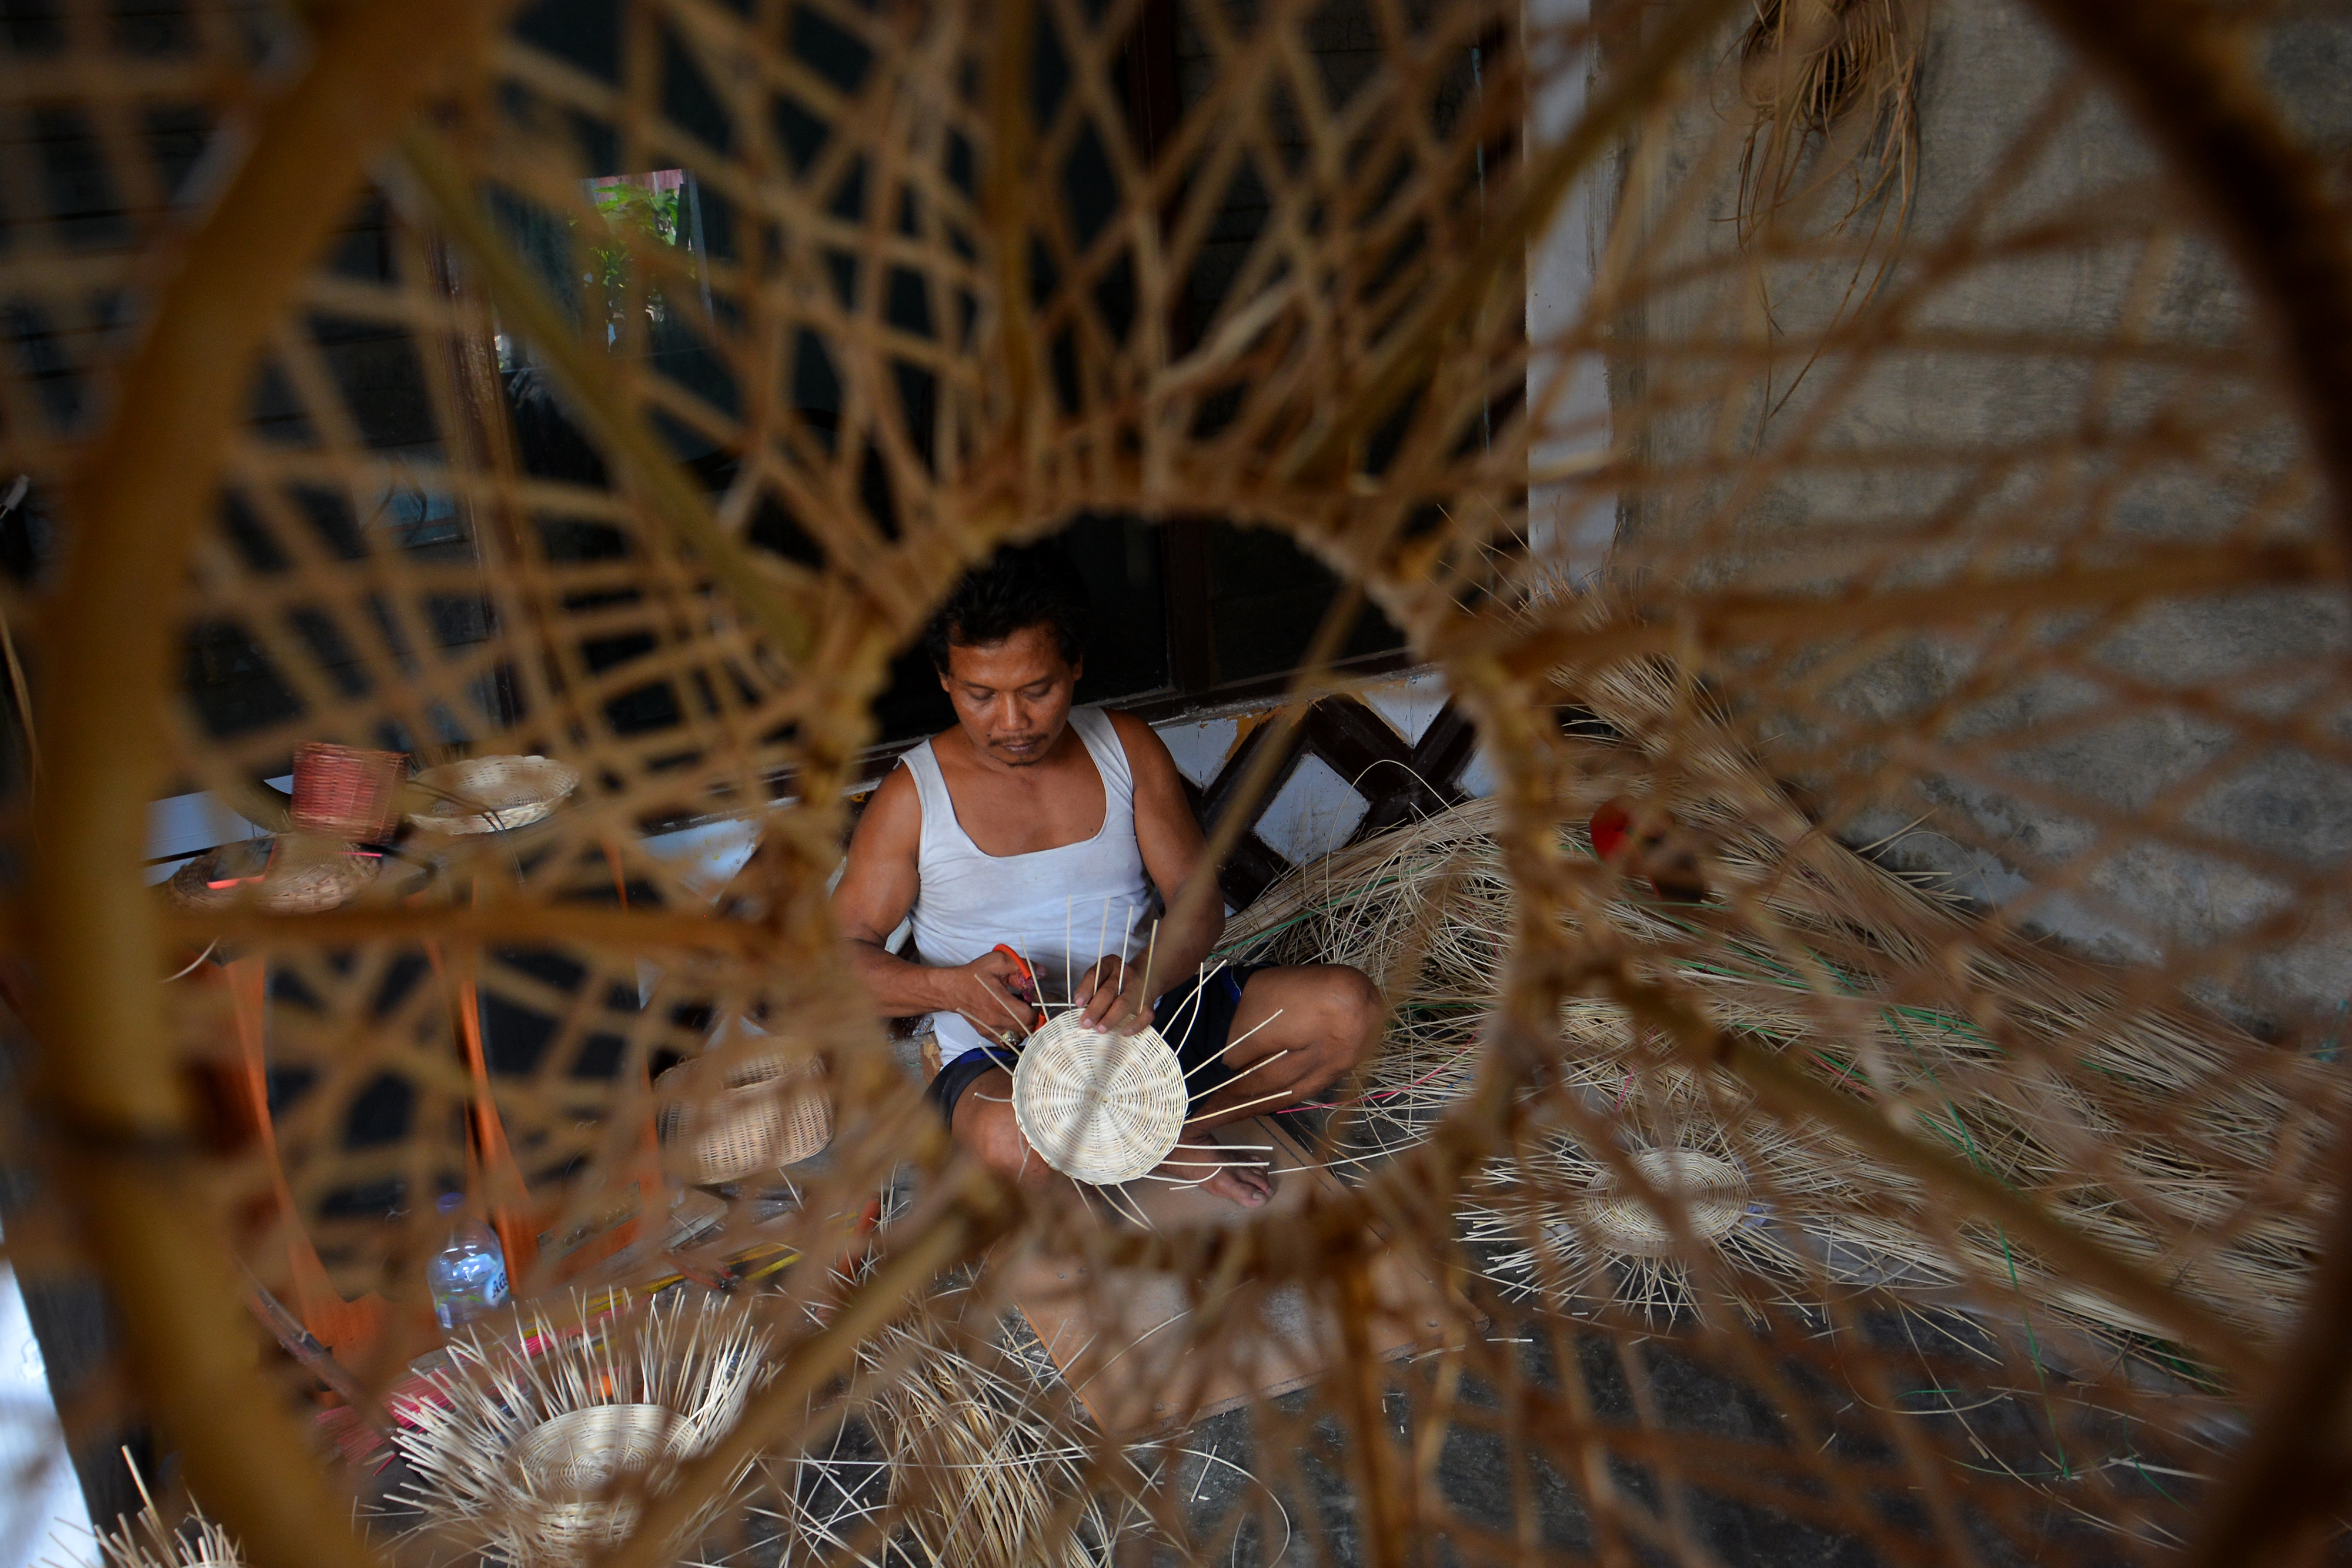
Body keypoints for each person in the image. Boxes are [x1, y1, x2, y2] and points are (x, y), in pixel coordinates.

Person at [831, 544, 1379, 1207]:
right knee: (1018, 1145)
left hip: (1147, 1026)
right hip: (1004, 1060)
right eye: (981, 695)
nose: (1013, 723)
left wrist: (1147, 976)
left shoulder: (1126, 748)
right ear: (946, 680)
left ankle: (1166, 1133)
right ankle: (1122, 1143)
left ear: (1076, 665)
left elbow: (1197, 900)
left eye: (1038, 690)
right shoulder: (912, 798)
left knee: (1348, 1014)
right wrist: (950, 989)